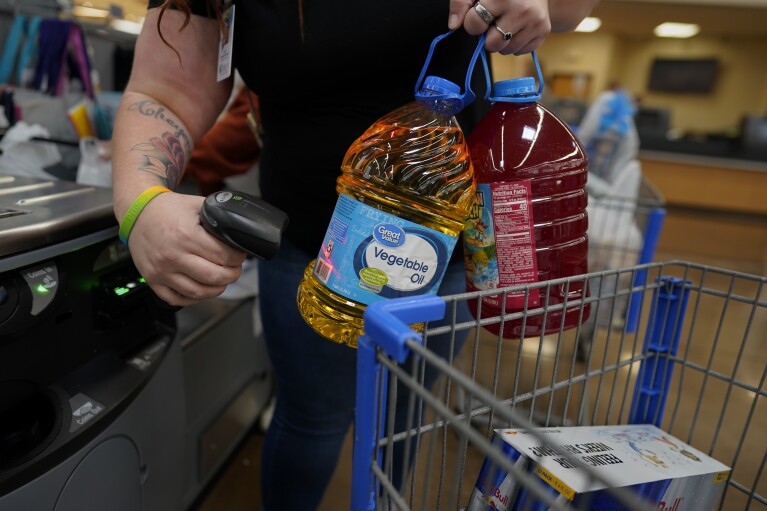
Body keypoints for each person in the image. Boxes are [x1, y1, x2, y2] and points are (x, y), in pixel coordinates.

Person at [110, 1, 600, 509]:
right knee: (311, 419)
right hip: (308, 243)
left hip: (441, 246)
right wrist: (141, 201)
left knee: (404, 420)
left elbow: (573, 11)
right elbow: (163, 91)